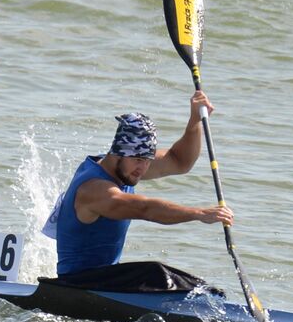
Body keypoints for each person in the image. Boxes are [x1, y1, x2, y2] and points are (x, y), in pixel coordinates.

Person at [44, 91, 234, 282]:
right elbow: (144, 208)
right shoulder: (95, 189)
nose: (142, 168)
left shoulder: (125, 168)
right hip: (77, 284)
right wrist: (197, 214)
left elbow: (180, 161)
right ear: (117, 154)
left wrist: (194, 121)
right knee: (158, 275)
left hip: (106, 279)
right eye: (137, 160)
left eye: (148, 160)